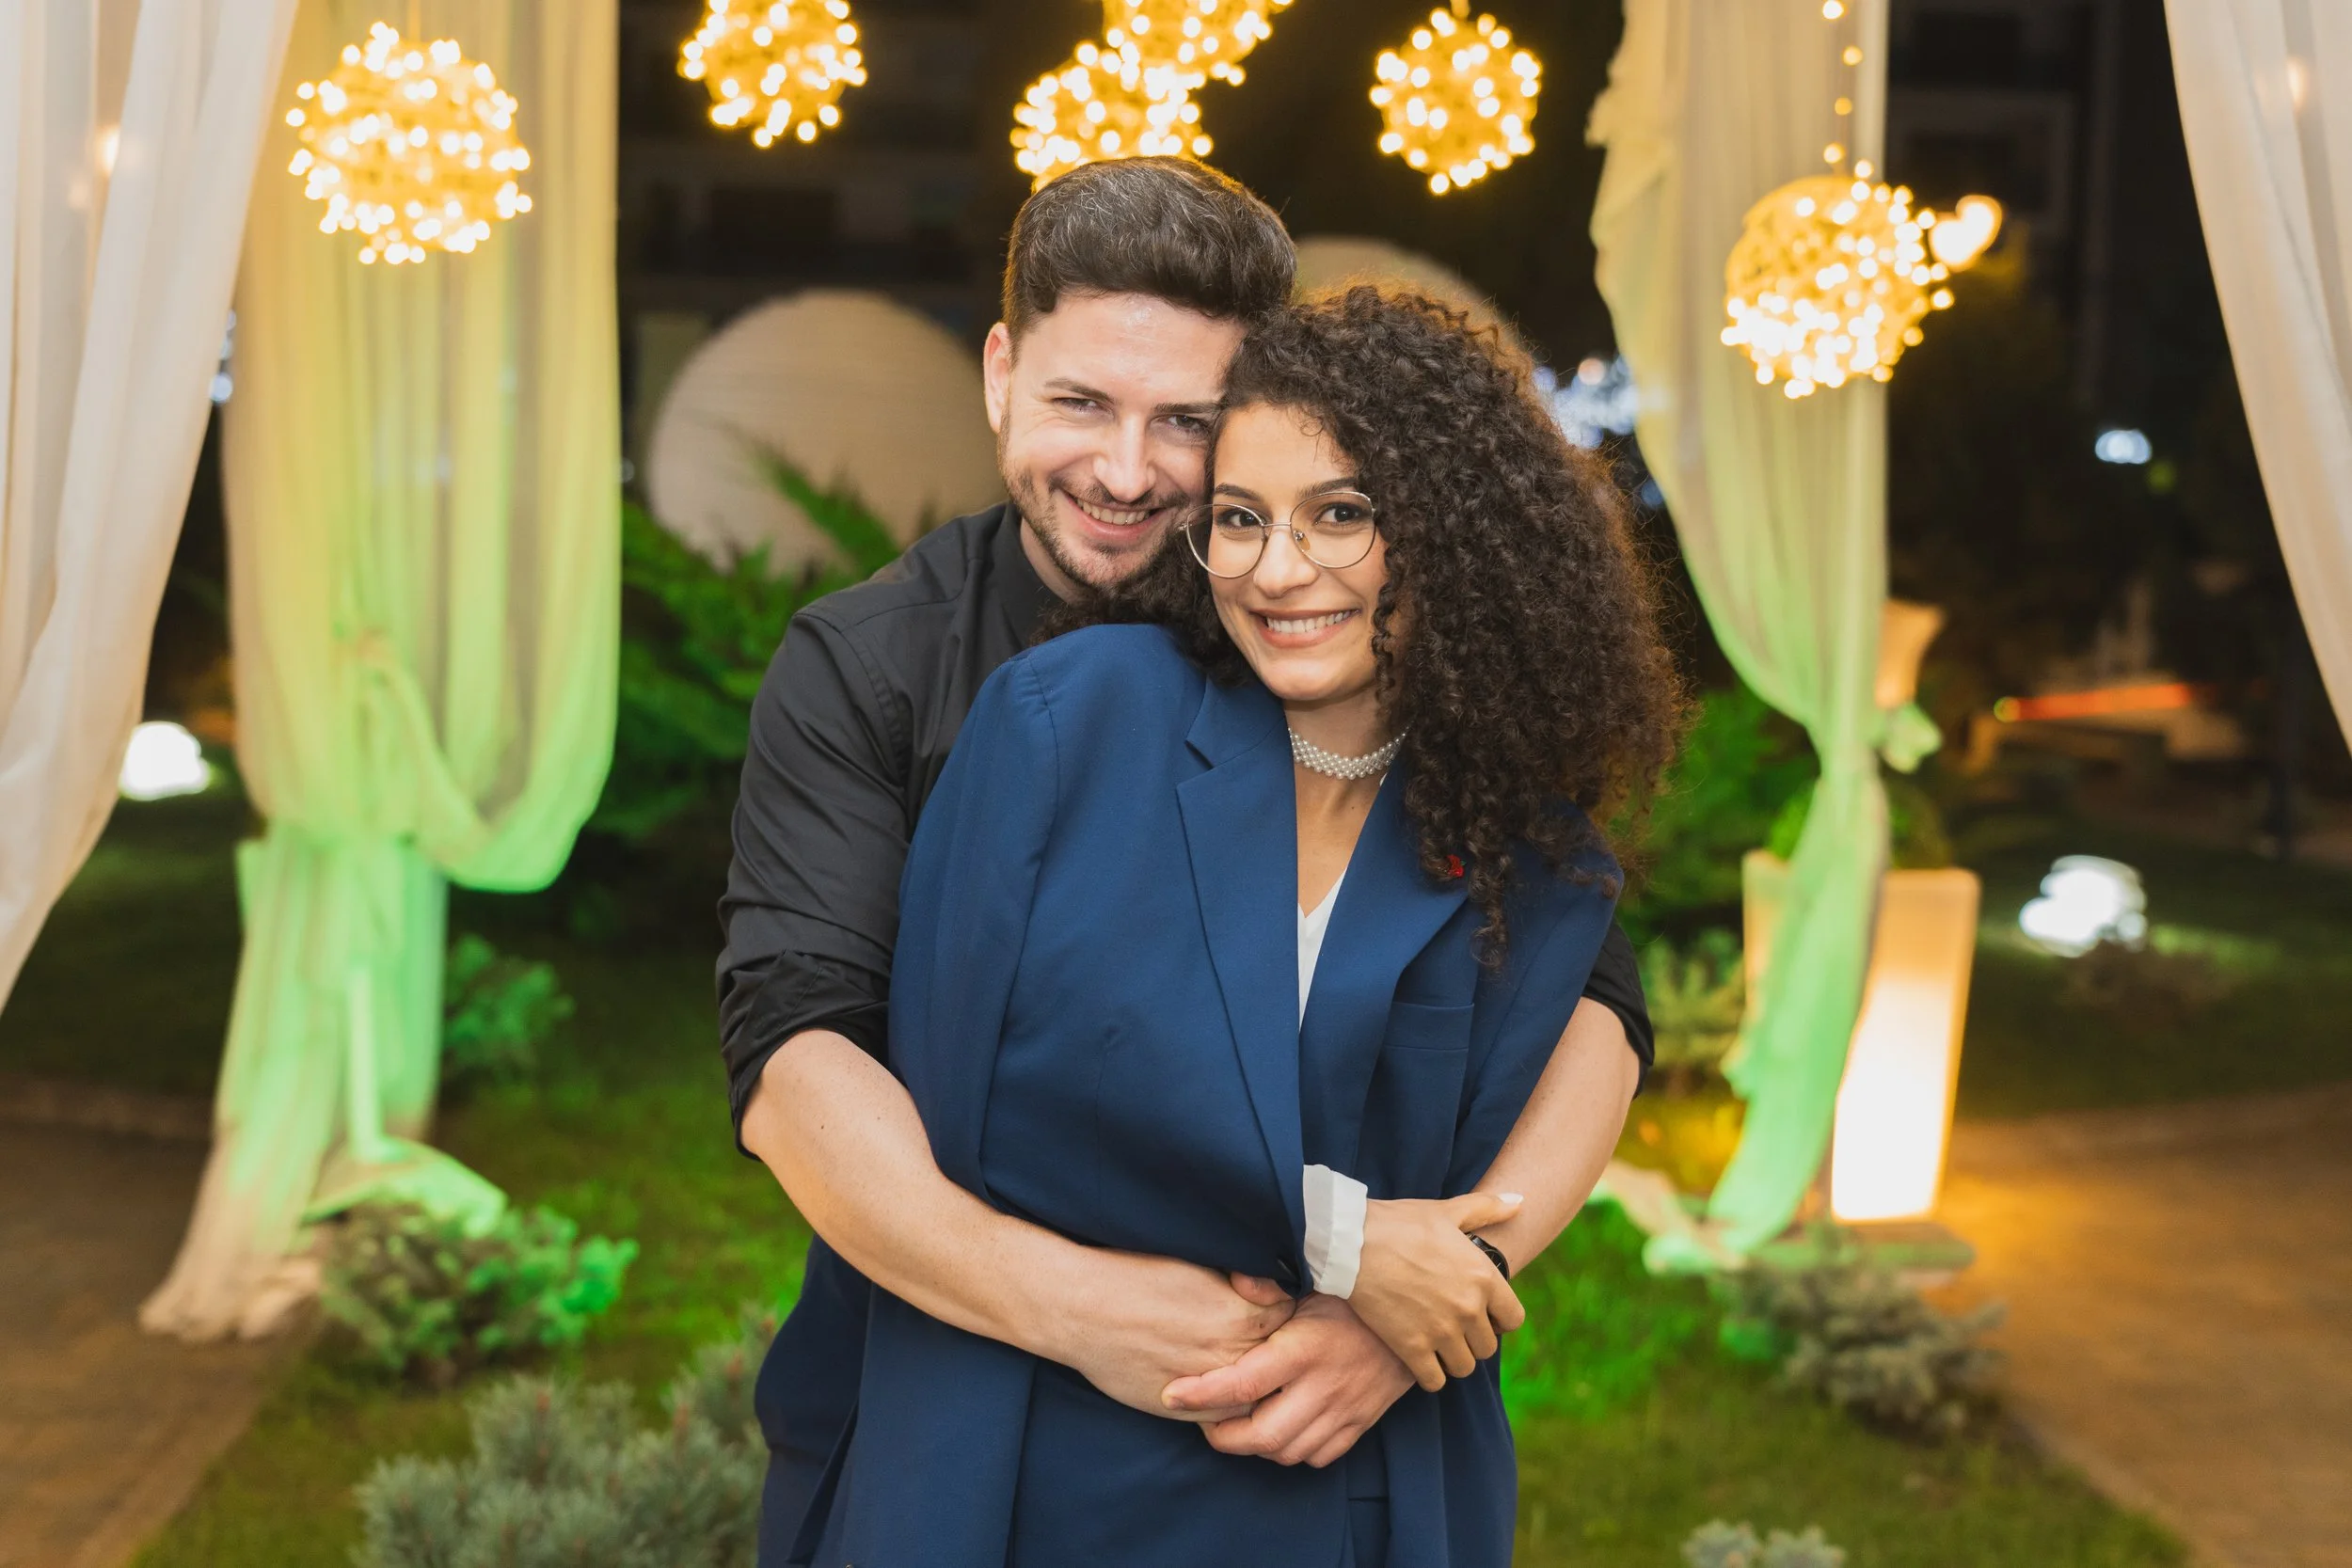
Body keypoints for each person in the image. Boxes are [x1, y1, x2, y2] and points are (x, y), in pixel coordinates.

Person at [718, 158, 1660, 1560]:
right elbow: (811, 1057)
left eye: (1190, 428)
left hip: (1310, 1443)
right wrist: (1085, 1300)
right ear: (1000, 373)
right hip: (963, 1372)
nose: (1124, 469)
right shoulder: (914, 672)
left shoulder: (1364, 687)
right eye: (1081, 402)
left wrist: (1437, 1292)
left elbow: (1590, 998)